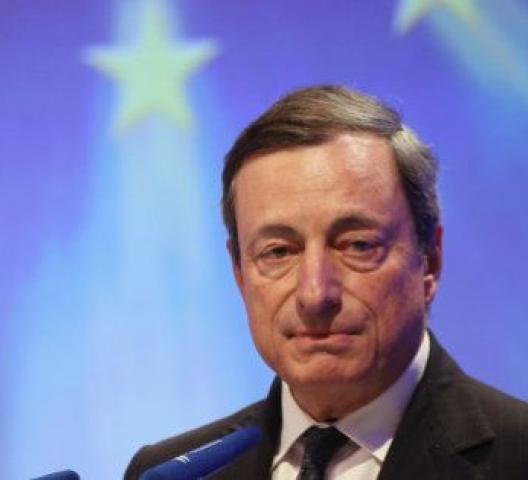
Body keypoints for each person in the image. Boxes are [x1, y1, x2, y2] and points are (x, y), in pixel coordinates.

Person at [124, 85, 528, 479]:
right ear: (240, 273)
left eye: (357, 245)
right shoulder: (166, 473)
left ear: (430, 261)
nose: (315, 294)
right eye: (278, 252)